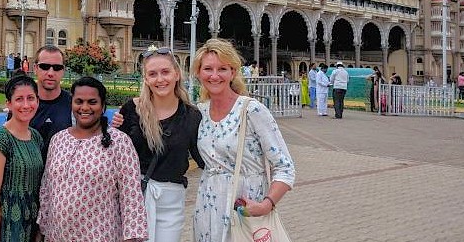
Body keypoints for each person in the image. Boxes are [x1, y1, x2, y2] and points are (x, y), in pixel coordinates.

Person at [191, 39, 295, 242]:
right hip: (208, 209)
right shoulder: (199, 112)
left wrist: (266, 204)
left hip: (246, 210)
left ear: (233, 72)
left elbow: (285, 167)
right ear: (198, 73)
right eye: (208, 69)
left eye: (222, 69)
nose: (214, 75)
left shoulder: (251, 110)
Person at [38, 76, 148, 242]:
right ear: (72, 104)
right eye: (79, 101)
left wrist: (132, 238)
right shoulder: (58, 140)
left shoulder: (119, 142)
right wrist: (42, 230)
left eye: (92, 102)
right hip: (57, 236)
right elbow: (47, 190)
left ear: (103, 106)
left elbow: (131, 197)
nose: (85, 107)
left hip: (101, 236)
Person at [119, 45, 204, 242]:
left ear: (176, 74)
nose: (160, 79)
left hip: (171, 198)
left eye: (165, 72)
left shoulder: (191, 116)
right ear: (146, 79)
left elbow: (203, 158)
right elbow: (116, 154)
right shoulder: (132, 109)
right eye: (153, 74)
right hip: (134, 197)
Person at [0, 74, 43, 242]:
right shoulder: (1, 138)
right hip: (5, 223)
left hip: (30, 221)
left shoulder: (35, 137)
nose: (26, 105)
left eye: (30, 98)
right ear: (9, 104)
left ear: (38, 101)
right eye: (19, 99)